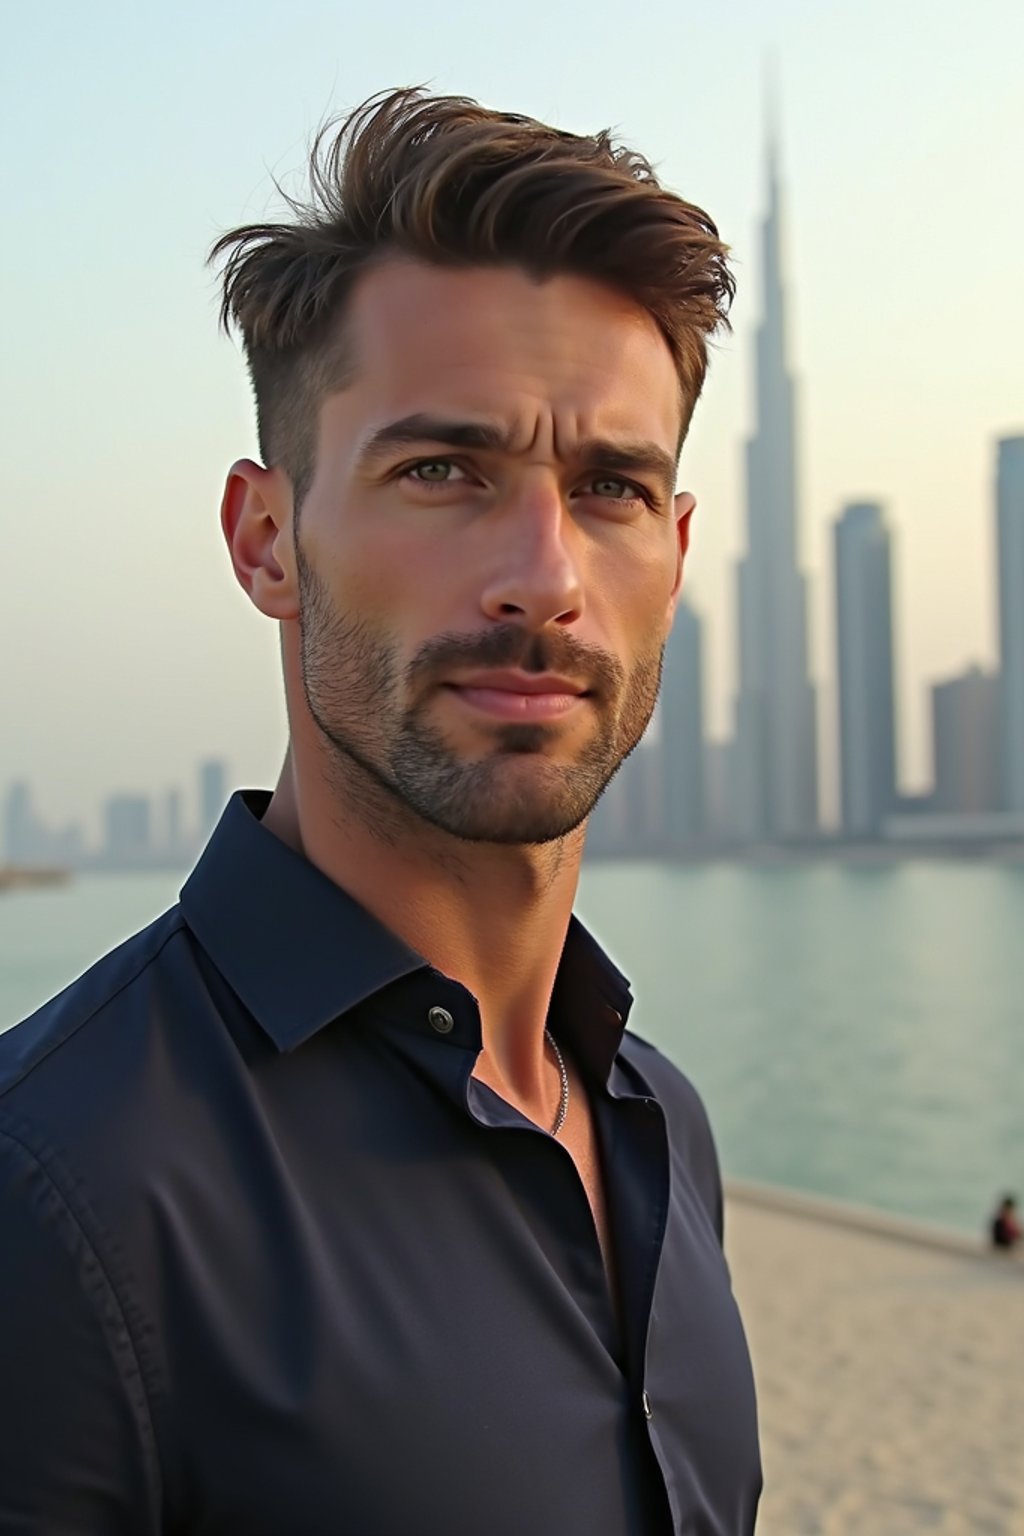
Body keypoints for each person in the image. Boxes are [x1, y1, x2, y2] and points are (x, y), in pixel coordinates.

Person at [0, 89, 761, 1533]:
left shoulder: (663, 1123)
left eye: (608, 486)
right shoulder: (53, 1188)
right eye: (443, 471)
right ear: (267, 539)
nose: (542, 575)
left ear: (672, 551)